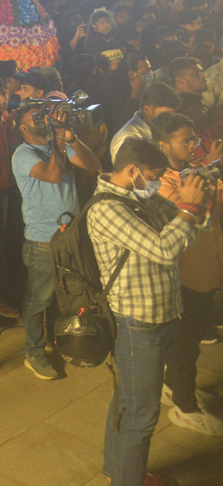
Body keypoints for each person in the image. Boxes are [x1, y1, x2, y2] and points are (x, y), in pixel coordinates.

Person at [89, 137, 206, 486]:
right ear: (132, 171)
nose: (157, 183)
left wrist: (197, 204)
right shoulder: (106, 209)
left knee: (127, 400)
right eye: (153, 176)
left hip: (159, 312)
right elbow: (163, 247)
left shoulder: (141, 195)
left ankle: (120, 471)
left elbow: (185, 228)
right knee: (141, 414)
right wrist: (187, 209)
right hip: (137, 322)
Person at [12, 102, 100, 380]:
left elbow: (94, 166)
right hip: (42, 239)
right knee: (39, 300)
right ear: (22, 127)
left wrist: (70, 137)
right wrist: (60, 141)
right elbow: (53, 175)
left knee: (67, 294)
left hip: (69, 235)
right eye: (35, 117)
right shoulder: (23, 154)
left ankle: (60, 340)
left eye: (44, 115)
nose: (43, 120)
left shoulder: (58, 143)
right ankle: (34, 351)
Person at [149, 112, 223, 435]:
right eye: (186, 141)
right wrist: (207, 183)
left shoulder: (194, 172)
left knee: (191, 338)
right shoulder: (162, 182)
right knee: (185, 343)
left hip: (207, 268)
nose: (193, 146)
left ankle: (172, 388)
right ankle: (185, 406)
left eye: (194, 139)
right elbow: (192, 216)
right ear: (163, 145)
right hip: (187, 276)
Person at [109, 83, 180, 163]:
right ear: (147, 110)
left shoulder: (158, 128)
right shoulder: (129, 137)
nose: (169, 120)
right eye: (164, 115)